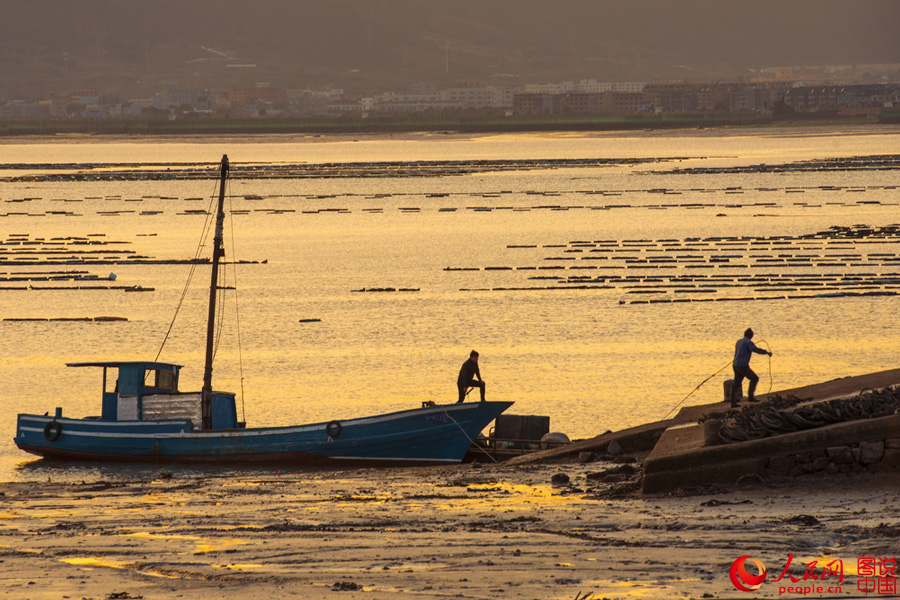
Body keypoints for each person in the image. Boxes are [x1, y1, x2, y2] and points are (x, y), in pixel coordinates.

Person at [730, 328, 772, 407]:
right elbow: (754, 349)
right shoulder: (749, 342)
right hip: (743, 365)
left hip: (735, 364)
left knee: (736, 383)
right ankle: (751, 397)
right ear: (751, 336)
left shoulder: (739, 341)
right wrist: (766, 352)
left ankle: (733, 402)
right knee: (754, 378)